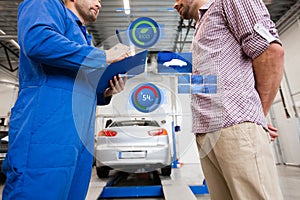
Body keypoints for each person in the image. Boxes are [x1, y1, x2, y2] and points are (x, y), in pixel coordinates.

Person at [2, 0, 128, 199]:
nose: (100, 4)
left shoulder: (83, 38)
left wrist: (105, 92)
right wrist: (102, 56)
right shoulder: (45, 4)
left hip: (79, 139)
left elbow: (80, 86)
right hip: (46, 132)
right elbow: (38, 40)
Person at [173, 0, 284, 199]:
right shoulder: (202, 25)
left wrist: (257, 115)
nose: (175, 5)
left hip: (234, 127)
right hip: (208, 134)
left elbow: (269, 52)